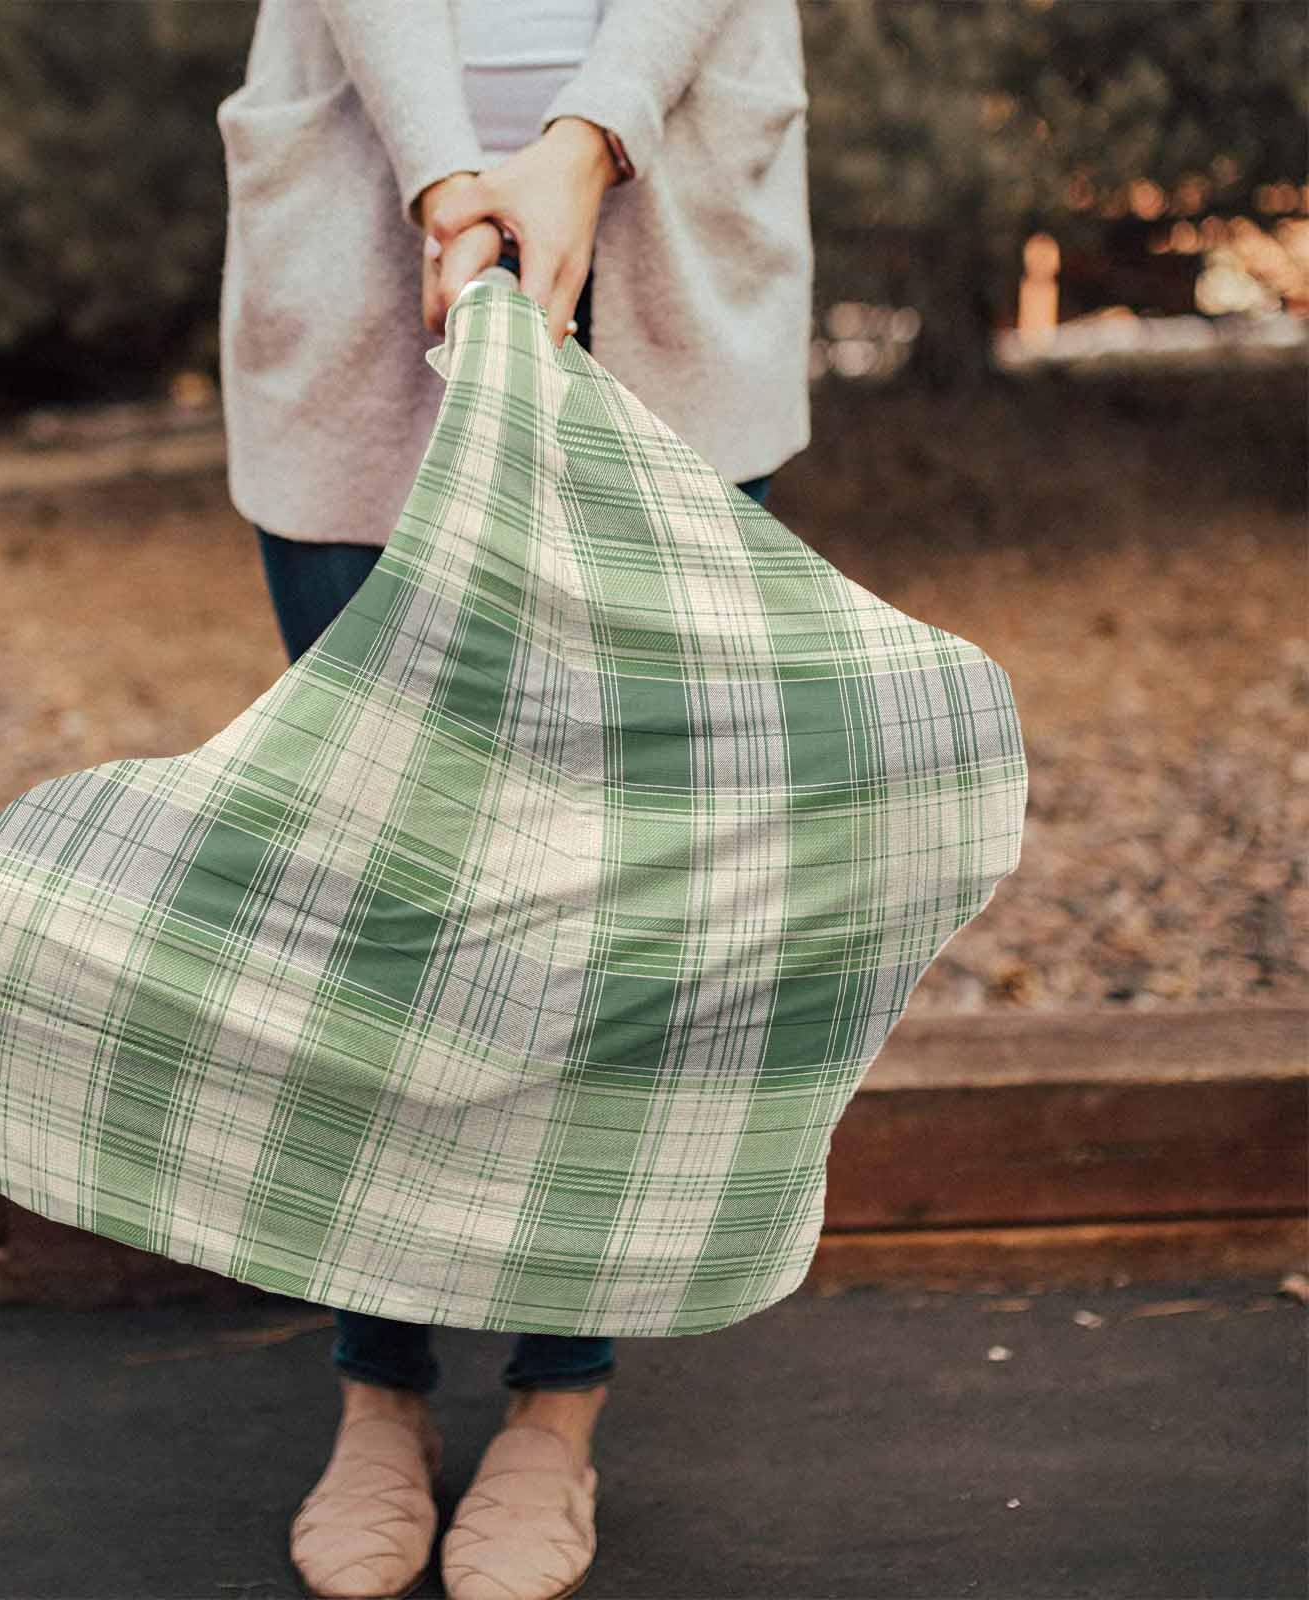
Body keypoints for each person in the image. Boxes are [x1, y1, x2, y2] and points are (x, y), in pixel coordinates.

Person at [215, 4, 812, 1596]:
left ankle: (558, 1404)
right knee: (379, 886)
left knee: (615, 895)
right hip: (362, 225)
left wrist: (589, 140)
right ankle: (380, 1386)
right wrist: (444, 178)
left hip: (671, 230)